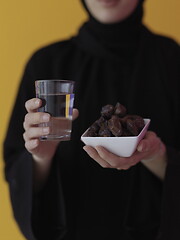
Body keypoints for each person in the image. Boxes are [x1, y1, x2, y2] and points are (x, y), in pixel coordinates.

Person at [3, 0, 180, 239]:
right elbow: (17, 174)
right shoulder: (46, 63)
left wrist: (157, 154)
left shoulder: (172, 60)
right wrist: (40, 157)